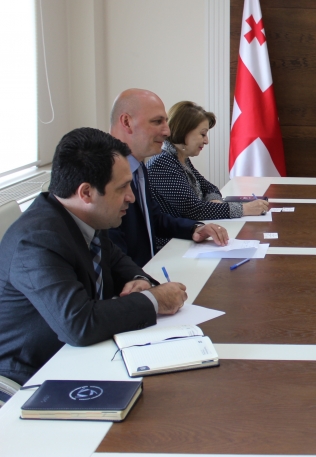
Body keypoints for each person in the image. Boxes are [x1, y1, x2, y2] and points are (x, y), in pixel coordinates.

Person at [0, 128, 188, 385]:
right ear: (86, 193)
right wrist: (155, 300)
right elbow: (79, 323)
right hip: (34, 377)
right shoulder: (37, 240)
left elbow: (115, 259)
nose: (131, 197)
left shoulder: (83, 216)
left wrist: (138, 279)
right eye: (122, 187)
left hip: (84, 356)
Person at [108, 89, 229, 266]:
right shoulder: (105, 173)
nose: (167, 131)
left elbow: (155, 218)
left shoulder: (139, 167)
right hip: (133, 277)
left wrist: (195, 228)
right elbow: (112, 250)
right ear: (127, 122)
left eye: (165, 121)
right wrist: (139, 278)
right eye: (157, 122)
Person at [146, 101, 269, 250]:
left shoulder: (181, 158)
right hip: (171, 246)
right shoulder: (162, 163)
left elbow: (209, 187)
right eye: (202, 134)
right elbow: (194, 209)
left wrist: (214, 201)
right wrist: (245, 209)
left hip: (189, 238)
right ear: (184, 131)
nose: (206, 141)